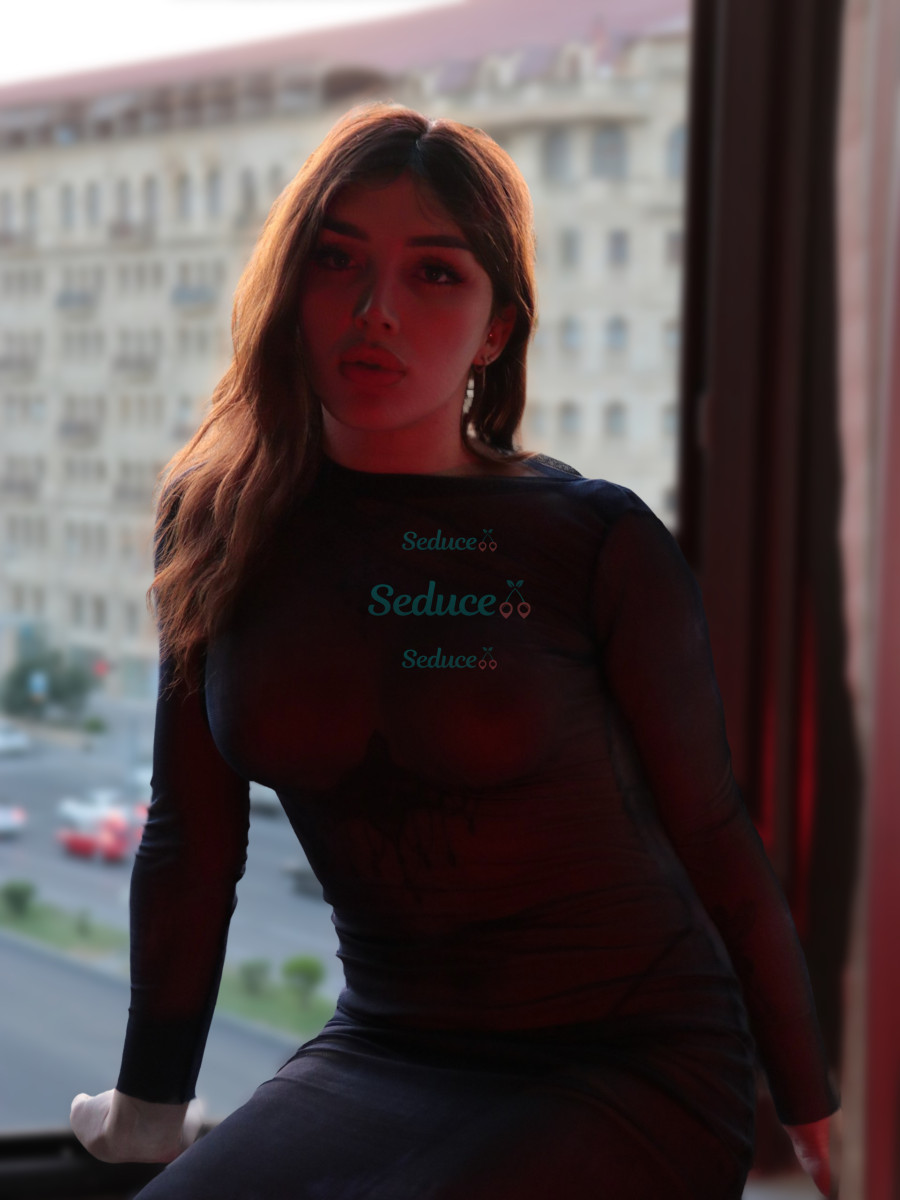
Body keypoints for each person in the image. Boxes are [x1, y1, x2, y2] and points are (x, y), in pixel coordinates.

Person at [70, 102, 842, 1198]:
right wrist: (149, 1106)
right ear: (289, 286)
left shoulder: (595, 539)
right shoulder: (216, 524)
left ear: (495, 331)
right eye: (337, 259)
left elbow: (714, 831)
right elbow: (192, 838)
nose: (374, 309)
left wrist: (811, 1106)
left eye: (434, 274)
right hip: (385, 1043)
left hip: (632, 1056)